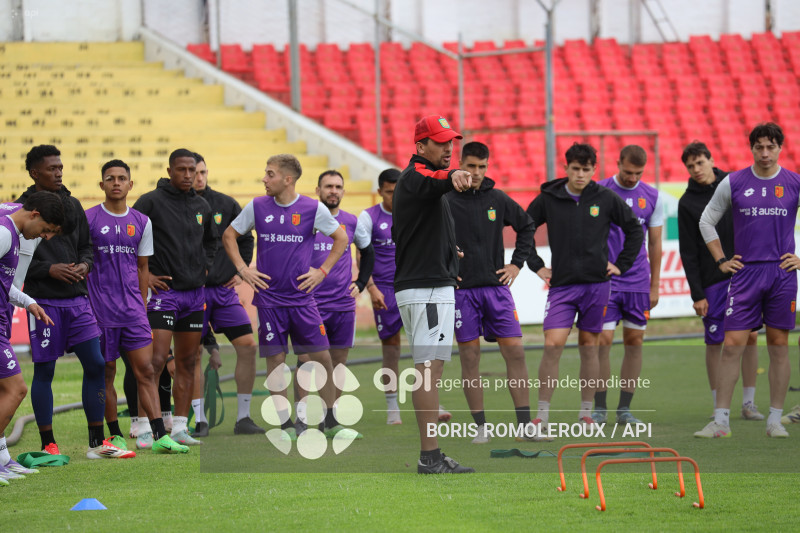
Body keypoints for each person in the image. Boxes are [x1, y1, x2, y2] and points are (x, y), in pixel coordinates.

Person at [16, 145, 132, 459]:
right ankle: (48, 443)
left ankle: (97, 442)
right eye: (51, 168)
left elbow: (87, 248)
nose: (59, 172)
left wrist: (84, 265)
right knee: (44, 371)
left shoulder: (73, 204)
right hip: (43, 303)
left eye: (60, 167)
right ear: (34, 173)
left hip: (79, 301)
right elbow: (15, 262)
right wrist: (48, 269)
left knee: (96, 363)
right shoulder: (23, 209)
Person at [223, 154, 348, 440]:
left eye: (270, 174)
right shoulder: (256, 206)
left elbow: (341, 238)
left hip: (303, 300)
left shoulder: (312, 208)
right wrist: (243, 270)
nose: (264, 179)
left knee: (323, 358)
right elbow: (229, 236)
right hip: (269, 301)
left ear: (287, 179)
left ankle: (330, 421)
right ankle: (286, 425)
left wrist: (323, 271)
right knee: (276, 362)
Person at [526, 143, 643, 440]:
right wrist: (537, 265)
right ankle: (540, 417)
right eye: (575, 169)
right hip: (562, 287)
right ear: (566, 168)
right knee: (552, 345)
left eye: (586, 169)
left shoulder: (605, 198)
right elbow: (524, 228)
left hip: (597, 287)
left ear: (594, 170)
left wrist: (621, 265)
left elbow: (634, 230)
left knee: (589, 346)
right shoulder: (549, 198)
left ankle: (587, 414)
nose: (580, 174)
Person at [696, 122, 800, 438]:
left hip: (782, 275)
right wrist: (721, 260)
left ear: (780, 147)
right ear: (751, 148)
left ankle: (774, 421)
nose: (765, 153)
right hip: (745, 275)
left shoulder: (794, 182)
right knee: (732, 345)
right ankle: (722, 421)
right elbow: (706, 221)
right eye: (759, 147)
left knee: (779, 346)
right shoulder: (734, 182)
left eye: (771, 146)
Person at [86, 159, 189, 454]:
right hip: (100, 312)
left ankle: (159, 435)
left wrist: (142, 304)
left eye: (121, 178)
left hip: (133, 312)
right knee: (106, 371)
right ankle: (115, 435)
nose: (116, 182)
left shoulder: (142, 221)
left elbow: (143, 267)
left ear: (131, 185)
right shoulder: (89, 219)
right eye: (110, 178)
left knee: (146, 369)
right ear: (102, 184)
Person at [393, 115, 474, 474]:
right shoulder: (416, 176)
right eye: (441, 142)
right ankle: (429, 456)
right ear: (420, 146)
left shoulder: (422, 184)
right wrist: (452, 175)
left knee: (432, 370)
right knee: (427, 371)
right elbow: (435, 178)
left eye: (451, 142)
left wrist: (447, 254)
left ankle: (433, 454)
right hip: (425, 289)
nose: (448, 149)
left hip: (430, 284)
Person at [444, 141, 535, 444]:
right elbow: (424, 235)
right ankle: (481, 428)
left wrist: (516, 265)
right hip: (462, 293)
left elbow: (527, 225)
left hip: (497, 291)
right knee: (470, 357)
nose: (477, 172)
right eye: (471, 166)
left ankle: (525, 427)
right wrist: (445, 265)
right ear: (460, 164)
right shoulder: (444, 199)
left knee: (516, 352)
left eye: (482, 166)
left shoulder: (497, 198)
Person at [133, 148, 218, 446]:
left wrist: (204, 267)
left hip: (194, 296)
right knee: (154, 362)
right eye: (181, 170)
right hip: (163, 296)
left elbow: (211, 241)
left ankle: (180, 428)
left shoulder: (202, 205)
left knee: (188, 361)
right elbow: (132, 238)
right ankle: (145, 427)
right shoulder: (150, 202)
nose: (187, 175)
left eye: (192, 170)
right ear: (169, 171)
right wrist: (148, 277)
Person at [677, 141, 763, 421]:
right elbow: (688, 252)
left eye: (700, 163)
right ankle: (718, 406)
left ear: (711, 160)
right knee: (715, 342)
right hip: (712, 281)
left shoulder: (735, 185)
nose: (696, 169)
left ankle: (749, 404)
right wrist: (697, 294)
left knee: (750, 337)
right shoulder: (686, 203)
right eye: (690, 166)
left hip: (746, 275)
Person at [360, 169, 453, 425]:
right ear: (380, 191)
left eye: (397, 190)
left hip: (419, 285)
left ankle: (433, 401)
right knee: (391, 351)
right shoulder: (369, 218)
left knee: (427, 350)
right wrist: (371, 287)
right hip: (386, 291)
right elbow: (362, 255)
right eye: (389, 192)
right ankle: (393, 408)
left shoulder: (417, 210)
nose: (394, 196)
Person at [293, 170, 374, 436]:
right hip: (309, 303)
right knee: (306, 360)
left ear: (343, 191)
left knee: (338, 363)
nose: (333, 191)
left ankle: (330, 420)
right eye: (328, 186)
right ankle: (302, 419)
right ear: (317, 190)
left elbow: (368, 251)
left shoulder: (351, 221)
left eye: (338, 187)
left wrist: (361, 283)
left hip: (342, 304)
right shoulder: (304, 219)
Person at [190, 153, 263, 437]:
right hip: (191, 294)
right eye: (194, 172)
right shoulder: (175, 206)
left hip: (222, 292)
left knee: (248, 345)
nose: (198, 177)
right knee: (193, 353)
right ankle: (199, 421)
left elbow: (245, 237)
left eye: (202, 172)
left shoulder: (225, 203)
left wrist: (241, 269)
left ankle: (243, 417)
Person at [593, 146, 663, 426]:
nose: (632, 178)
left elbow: (655, 243)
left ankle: (624, 408)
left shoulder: (653, 196)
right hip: (606, 281)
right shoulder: (598, 191)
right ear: (618, 164)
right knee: (603, 342)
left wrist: (654, 286)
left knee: (634, 343)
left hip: (637, 283)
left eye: (638, 173)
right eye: (627, 172)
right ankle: (599, 407)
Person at [0, 192, 63, 482]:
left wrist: (27, 302)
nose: (46, 237)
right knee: (17, 390)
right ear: (35, 215)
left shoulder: (12, 235)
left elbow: (4, 286)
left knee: (7, 392)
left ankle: (2, 459)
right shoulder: (4, 233)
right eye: (47, 230)